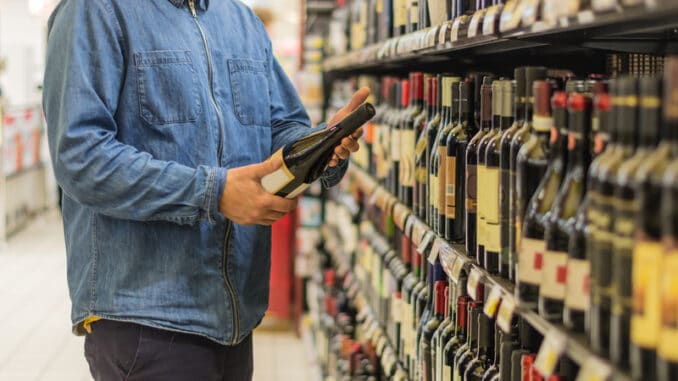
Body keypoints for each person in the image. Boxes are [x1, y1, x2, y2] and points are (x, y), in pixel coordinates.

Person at [42, 1, 368, 380]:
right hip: (145, 318)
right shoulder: (97, 11)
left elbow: (281, 125)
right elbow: (82, 157)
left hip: (234, 317)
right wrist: (213, 193)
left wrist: (321, 145)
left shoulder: (241, 20)